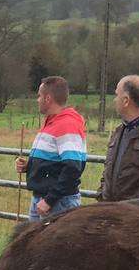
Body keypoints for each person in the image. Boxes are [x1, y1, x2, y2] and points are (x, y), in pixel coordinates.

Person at [15, 76, 86, 221]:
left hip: (58, 203)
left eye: (39, 96)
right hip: (43, 198)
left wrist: (49, 200)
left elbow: (73, 167)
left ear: (48, 98)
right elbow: (55, 162)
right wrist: (30, 166)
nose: (37, 100)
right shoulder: (51, 123)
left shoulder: (67, 125)